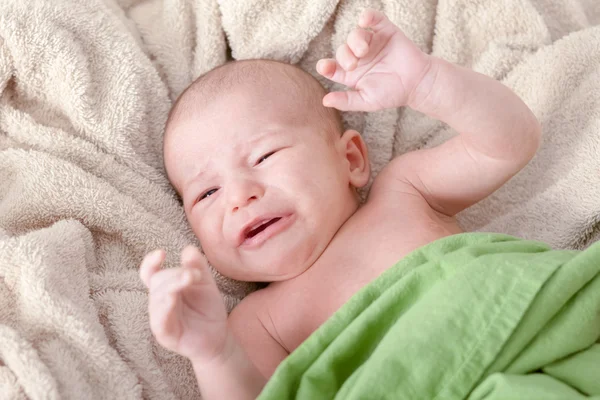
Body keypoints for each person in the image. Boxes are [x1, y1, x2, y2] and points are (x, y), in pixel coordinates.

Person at [139, 9, 541, 399]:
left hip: (529, 343)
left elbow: (507, 144)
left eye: (264, 157)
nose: (239, 196)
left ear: (350, 160)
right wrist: (213, 353)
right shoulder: (257, 322)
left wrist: (428, 83)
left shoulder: (404, 192)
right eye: (206, 193)